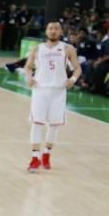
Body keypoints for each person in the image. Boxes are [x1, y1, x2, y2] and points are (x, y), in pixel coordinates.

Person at [24, 21, 81, 172]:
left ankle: (47, 154)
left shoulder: (68, 49)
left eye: (56, 28)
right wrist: (28, 77)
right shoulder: (37, 48)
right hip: (40, 90)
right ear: (46, 31)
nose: (53, 31)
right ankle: (35, 158)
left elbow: (77, 68)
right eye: (50, 28)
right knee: (37, 123)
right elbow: (28, 67)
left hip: (58, 91)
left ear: (61, 31)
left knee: (54, 125)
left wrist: (73, 80)